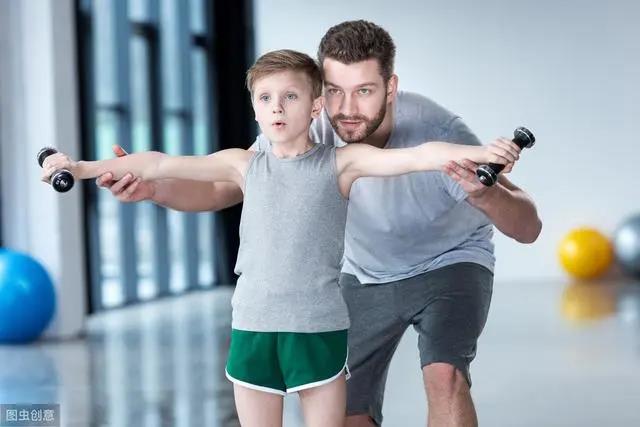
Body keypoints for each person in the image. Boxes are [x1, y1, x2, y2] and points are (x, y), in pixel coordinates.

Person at [42, 49, 521, 427]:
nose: (276, 107)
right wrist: (77, 167)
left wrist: (486, 152)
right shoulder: (242, 164)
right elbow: (157, 163)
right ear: (254, 108)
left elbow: (421, 154)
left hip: (319, 329)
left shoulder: (343, 163)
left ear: (315, 106)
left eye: (290, 96)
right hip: (253, 327)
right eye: (266, 98)